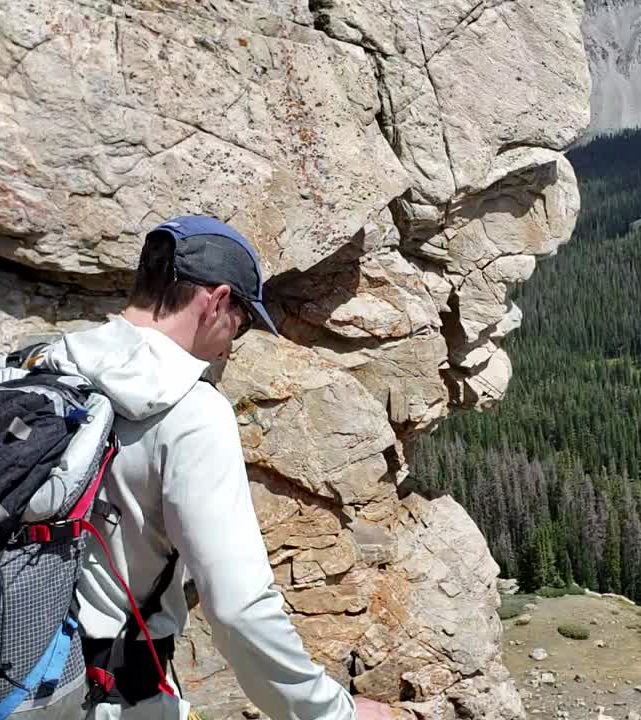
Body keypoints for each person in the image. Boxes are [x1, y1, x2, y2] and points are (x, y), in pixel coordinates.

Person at [31, 215, 395, 720]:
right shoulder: (190, 411)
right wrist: (337, 713)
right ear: (218, 301)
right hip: (110, 696)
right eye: (240, 325)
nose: (229, 346)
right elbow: (239, 610)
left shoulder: (33, 367)